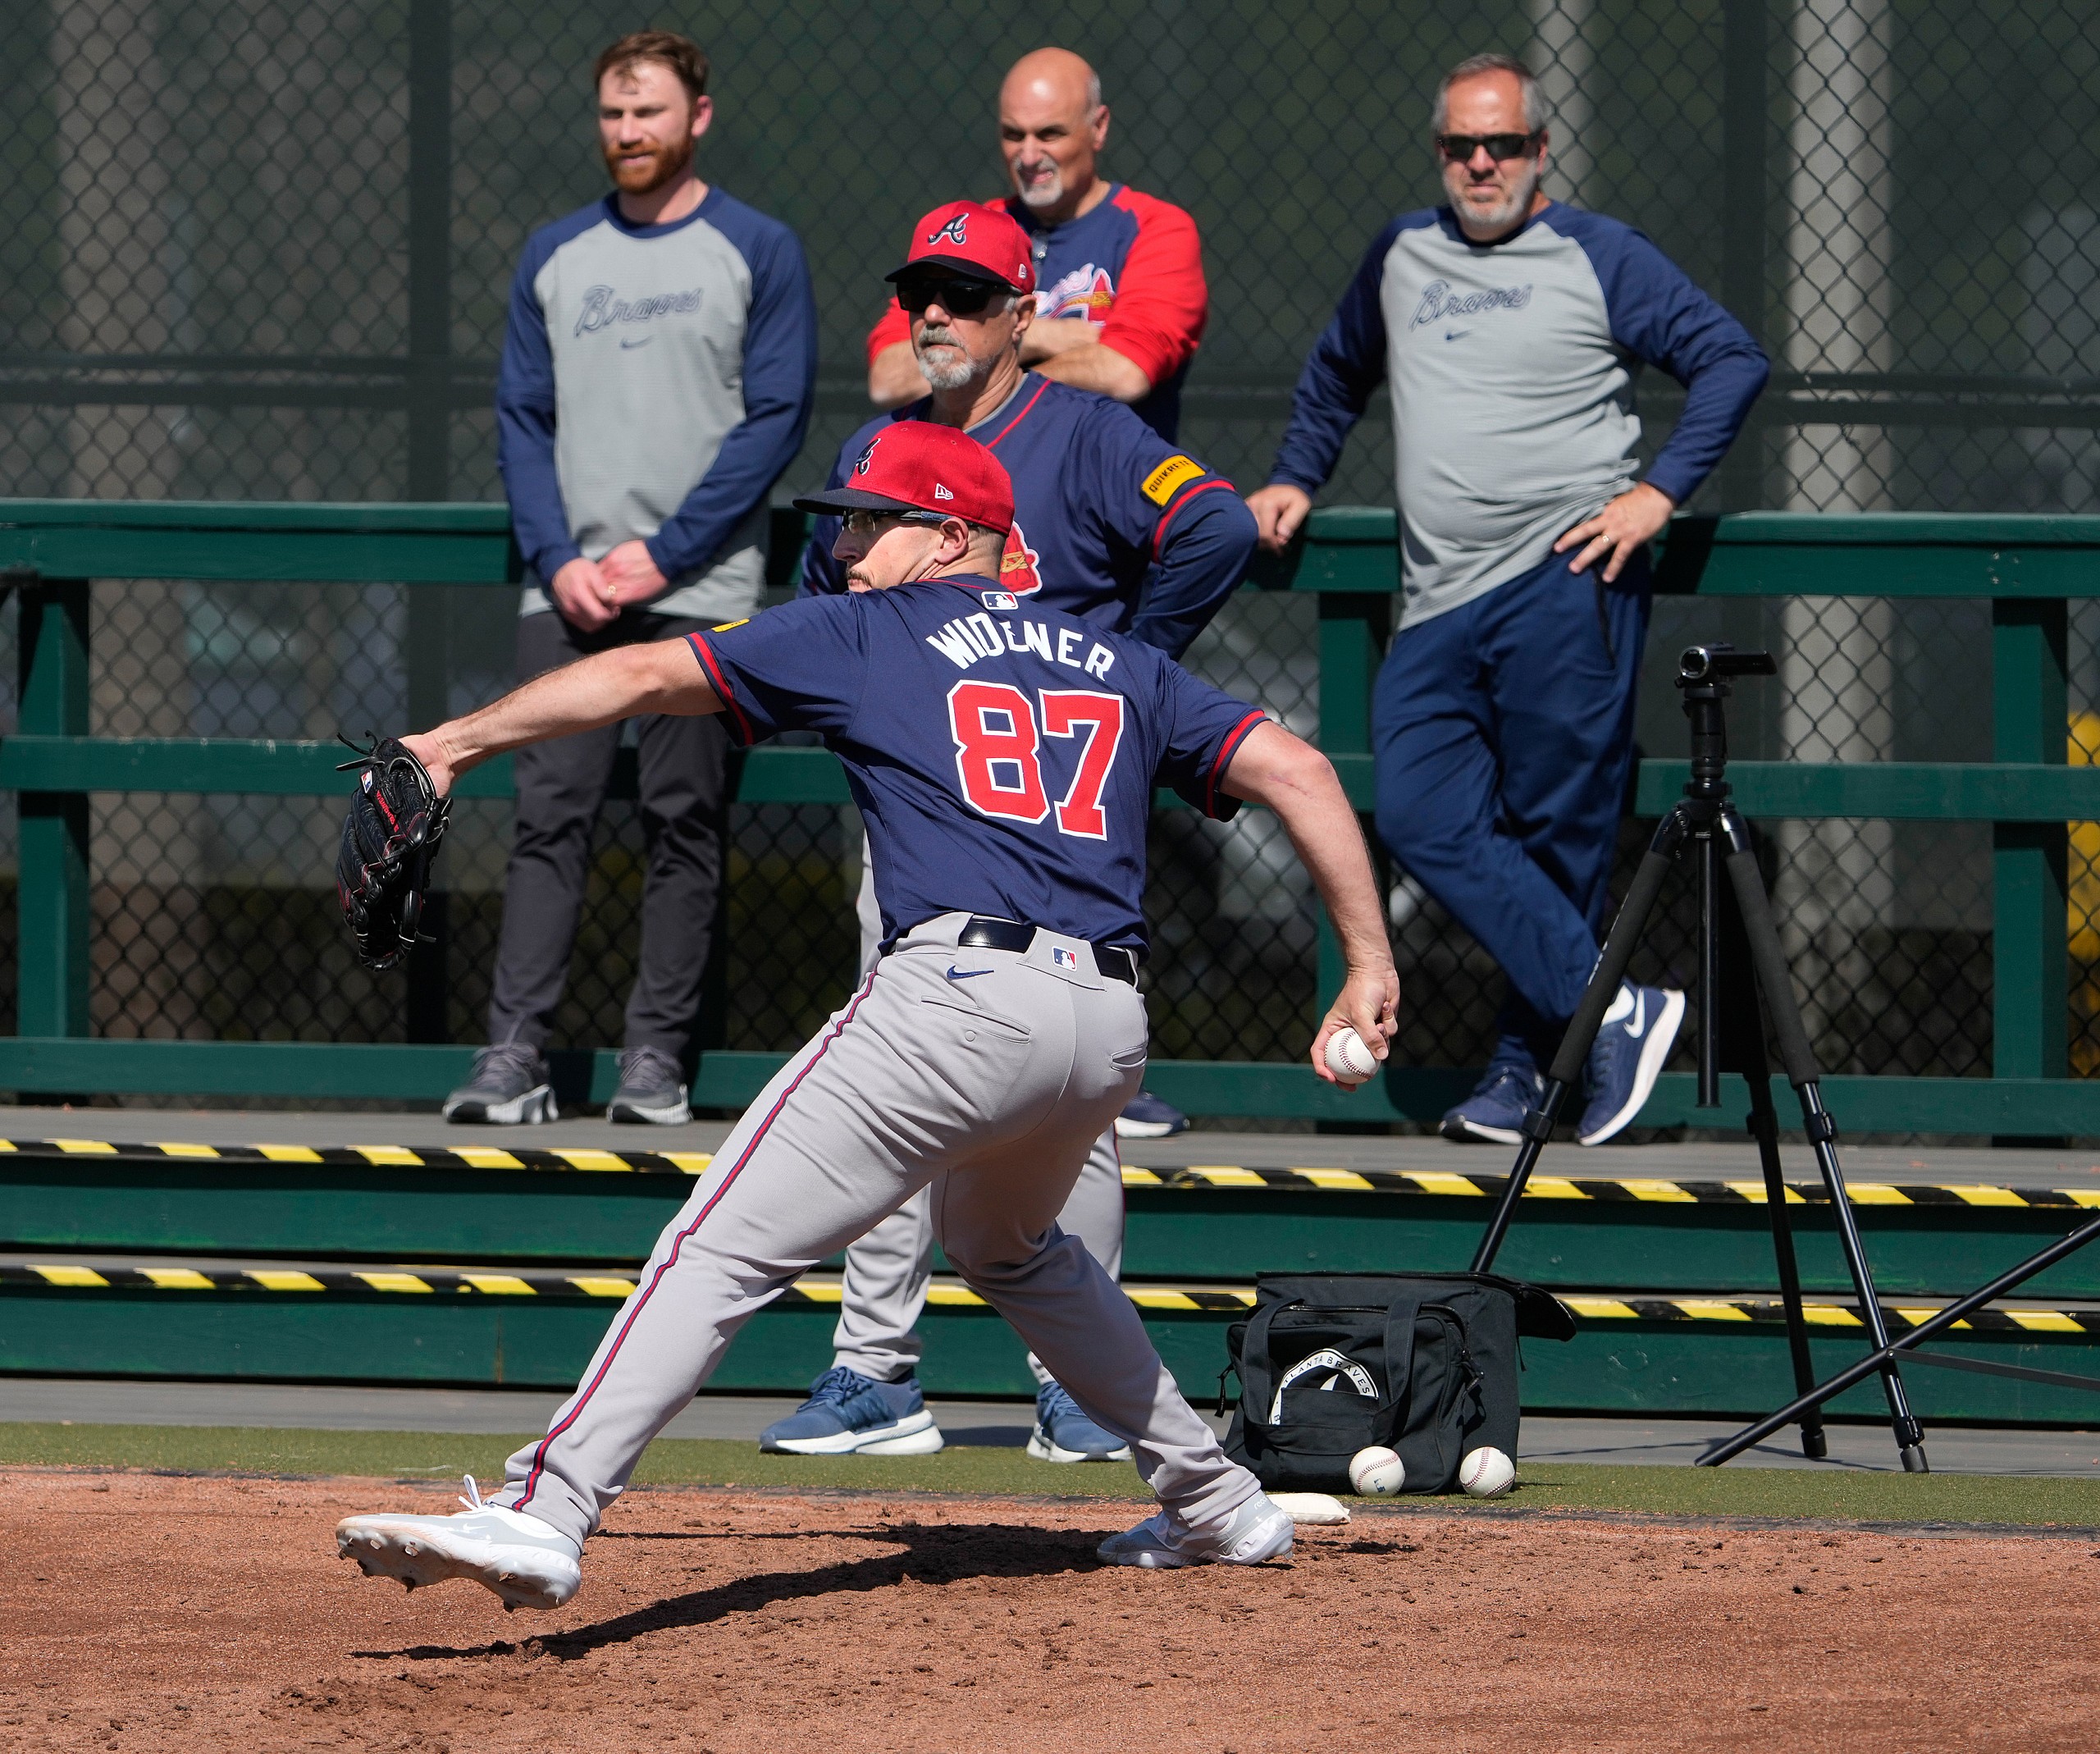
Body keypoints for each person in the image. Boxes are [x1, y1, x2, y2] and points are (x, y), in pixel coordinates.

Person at [334, 423, 1399, 1606]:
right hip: (1106, 1022)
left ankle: (549, 1505)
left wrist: (453, 743)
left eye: (866, 522)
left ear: (953, 536)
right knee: (1013, 1250)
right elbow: (1298, 767)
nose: (841, 547)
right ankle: (1216, 1502)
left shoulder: (872, 629)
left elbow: (642, 671)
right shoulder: (1116, 658)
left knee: (720, 1242)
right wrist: (1364, 961)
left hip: (958, 1000)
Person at [765, 199, 1256, 1466]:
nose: (937, 313)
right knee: (888, 1077)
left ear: (1021, 315)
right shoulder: (882, 447)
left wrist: (1133, 670)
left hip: (1054, 823)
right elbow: (827, 594)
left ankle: (1076, 1387)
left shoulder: (1085, 432)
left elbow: (1215, 522)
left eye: (969, 293)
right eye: (922, 291)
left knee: (1060, 1110)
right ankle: (876, 1371)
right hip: (921, 813)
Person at [1246, 53, 1768, 1148]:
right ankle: (1611, 1009)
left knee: (1558, 838)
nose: (1482, 163)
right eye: (1460, 147)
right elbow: (1338, 373)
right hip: (1436, 600)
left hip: (1567, 582)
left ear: (1540, 153)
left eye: (1504, 145)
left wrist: (1657, 494)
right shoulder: (1401, 254)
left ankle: (1532, 1069)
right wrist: (1298, 469)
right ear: (1440, 153)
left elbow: (1729, 358)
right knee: (1420, 812)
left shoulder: (1598, 254)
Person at [445, 30, 815, 1127]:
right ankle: (515, 1053)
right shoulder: (555, 253)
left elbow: (776, 416)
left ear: (697, 116)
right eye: (612, 114)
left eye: (647, 112)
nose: (627, 133)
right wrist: (561, 558)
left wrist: (669, 550)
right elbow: (522, 415)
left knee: (681, 817)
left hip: (702, 593)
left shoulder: (759, 247)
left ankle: (656, 1059)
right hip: (568, 600)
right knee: (545, 817)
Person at [865, 48, 1206, 441]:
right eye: (1013, 135)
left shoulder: (1155, 228)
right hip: (972, 480)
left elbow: (1126, 372)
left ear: (1099, 127)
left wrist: (977, 370)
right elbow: (889, 378)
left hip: (1100, 476)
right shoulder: (972, 227)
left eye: (1050, 134)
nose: (1028, 156)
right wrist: (1046, 336)